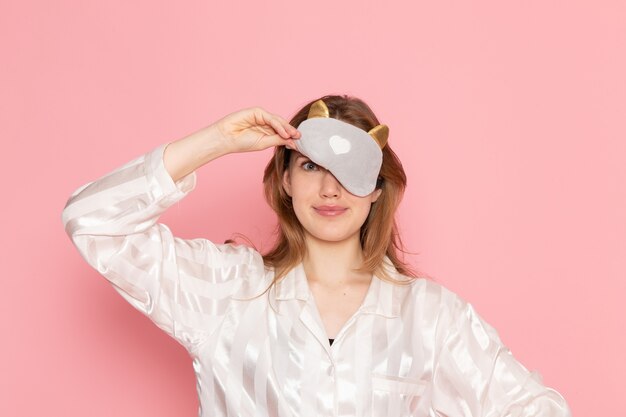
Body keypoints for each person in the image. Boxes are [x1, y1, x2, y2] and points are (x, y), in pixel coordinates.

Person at [61, 95, 572, 416]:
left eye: (351, 173)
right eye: (310, 166)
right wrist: (216, 141)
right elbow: (94, 220)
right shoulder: (224, 290)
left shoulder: (433, 316)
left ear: (376, 189)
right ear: (284, 179)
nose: (330, 189)